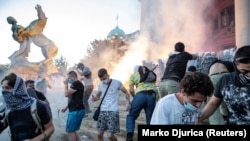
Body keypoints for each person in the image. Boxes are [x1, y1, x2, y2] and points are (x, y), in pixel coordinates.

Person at [198, 46, 250, 125]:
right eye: (244, 71)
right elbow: (213, 103)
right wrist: (198, 118)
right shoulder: (226, 80)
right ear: (235, 66)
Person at [0, 73, 54, 141]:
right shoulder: (8, 109)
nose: (4, 91)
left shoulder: (38, 105)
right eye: (3, 88)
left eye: (7, 88)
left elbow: (50, 128)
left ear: (18, 88)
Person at [91, 68, 130, 141]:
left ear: (107, 75)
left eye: (104, 78)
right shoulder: (100, 85)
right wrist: (94, 99)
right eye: (101, 79)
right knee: (99, 134)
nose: (103, 81)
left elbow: (126, 92)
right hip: (102, 111)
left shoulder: (117, 82)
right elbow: (98, 97)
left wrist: (128, 102)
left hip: (113, 111)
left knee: (109, 136)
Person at [126, 65, 158, 141]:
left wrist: (135, 97)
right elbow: (155, 87)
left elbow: (131, 90)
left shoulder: (134, 75)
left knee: (131, 116)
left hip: (140, 95)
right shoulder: (150, 74)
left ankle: (129, 136)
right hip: (151, 96)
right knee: (150, 118)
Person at [207, 59, 234, 125]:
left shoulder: (212, 65)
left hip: (212, 76)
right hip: (225, 75)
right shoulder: (228, 63)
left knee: (212, 101)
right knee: (227, 99)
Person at [61, 71, 85, 141]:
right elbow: (73, 98)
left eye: (68, 77)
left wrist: (65, 85)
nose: (67, 79)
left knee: (70, 131)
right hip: (76, 110)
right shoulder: (76, 84)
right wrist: (66, 107)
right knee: (73, 130)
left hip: (76, 111)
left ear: (72, 76)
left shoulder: (76, 84)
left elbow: (66, 94)